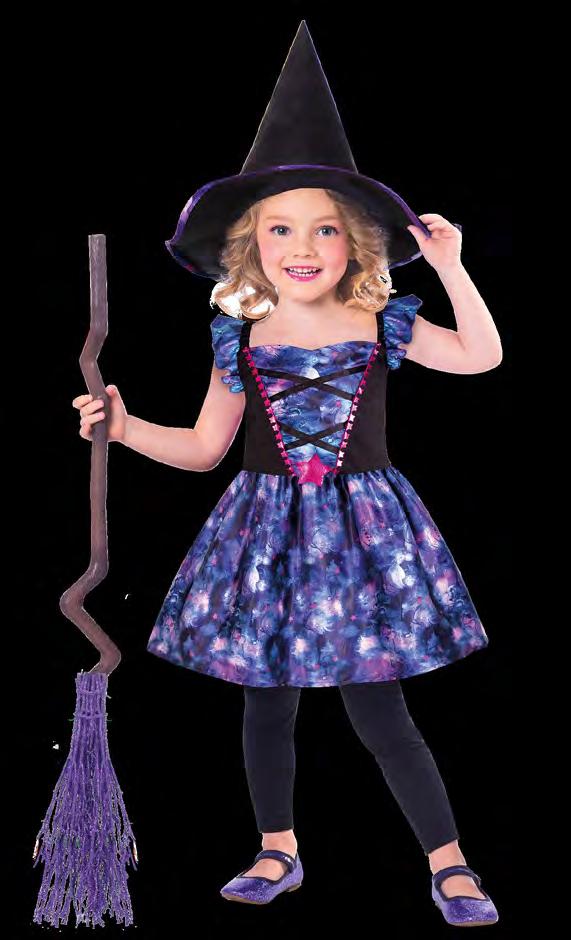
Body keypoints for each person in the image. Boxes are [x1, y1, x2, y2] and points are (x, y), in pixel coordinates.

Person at [72, 20, 502, 927]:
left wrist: (453, 269)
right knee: (266, 706)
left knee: (379, 711)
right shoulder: (237, 337)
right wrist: (122, 425)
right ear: (250, 245)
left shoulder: (383, 321)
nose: (301, 245)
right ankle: (278, 849)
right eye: (279, 228)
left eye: (324, 229)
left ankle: (450, 863)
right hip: (263, 539)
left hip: (364, 538)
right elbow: (203, 448)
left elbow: (480, 357)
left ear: (356, 244)